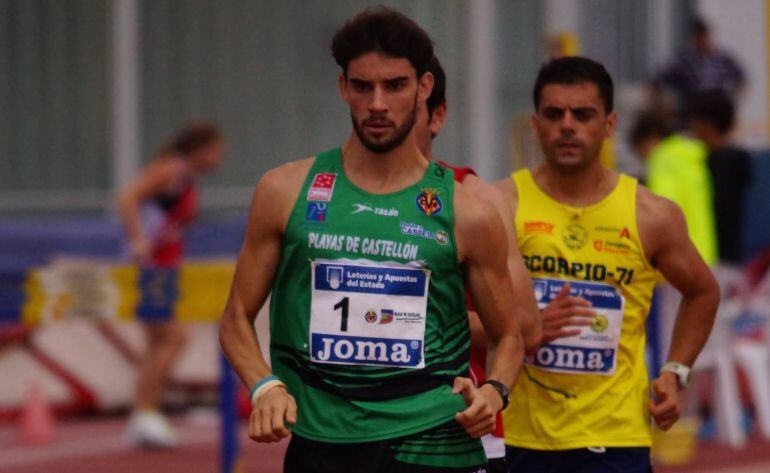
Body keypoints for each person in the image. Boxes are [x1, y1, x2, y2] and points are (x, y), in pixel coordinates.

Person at [218, 7, 523, 472]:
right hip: (322, 442)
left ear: (423, 88)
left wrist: (493, 391)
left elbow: (508, 336)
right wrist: (264, 386)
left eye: (394, 86)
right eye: (362, 86)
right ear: (343, 88)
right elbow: (236, 317)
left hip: (432, 441)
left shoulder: (468, 212)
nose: (377, 104)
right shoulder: (285, 191)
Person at [496, 56, 720, 472]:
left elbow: (703, 291)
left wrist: (675, 371)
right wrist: (525, 329)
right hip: (520, 436)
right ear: (535, 123)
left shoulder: (651, 214)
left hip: (615, 438)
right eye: (554, 114)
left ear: (609, 124)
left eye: (582, 114)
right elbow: (458, 311)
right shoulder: (501, 205)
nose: (567, 125)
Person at [415, 55, 540, 473]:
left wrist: (404, 316)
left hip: (457, 426)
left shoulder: (475, 198)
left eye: (406, 105)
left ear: (437, 117)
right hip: (353, 429)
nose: (383, 113)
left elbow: (524, 327)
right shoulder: (335, 198)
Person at [118, 122, 225, 448]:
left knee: (157, 343)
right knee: (174, 338)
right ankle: (144, 410)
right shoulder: (170, 170)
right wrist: (138, 239)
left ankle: (144, 414)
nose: (219, 159)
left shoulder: (185, 178)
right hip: (153, 268)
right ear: (200, 149)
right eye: (216, 151)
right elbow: (127, 196)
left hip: (167, 265)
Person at [629, 112, 718, 266]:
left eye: (640, 152)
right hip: (705, 254)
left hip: (680, 260)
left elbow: (661, 212)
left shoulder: (663, 159)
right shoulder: (690, 159)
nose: (643, 159)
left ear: (650, 139)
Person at [689, 89, 753, 265]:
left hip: (718, 257)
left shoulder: (715, 163)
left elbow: (716, 209)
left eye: (694, 123)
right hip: (735, 255)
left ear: (706, 125)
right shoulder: (740, 159)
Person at [653, 18, 745, 126]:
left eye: (704, 37)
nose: (702, 41)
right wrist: (663, 108)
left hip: (716, 115)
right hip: (691, 116)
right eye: (698, 38)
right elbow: (656, 83)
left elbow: (741, 78)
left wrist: (731, 101)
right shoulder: (683, 61)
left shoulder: (722, 59)